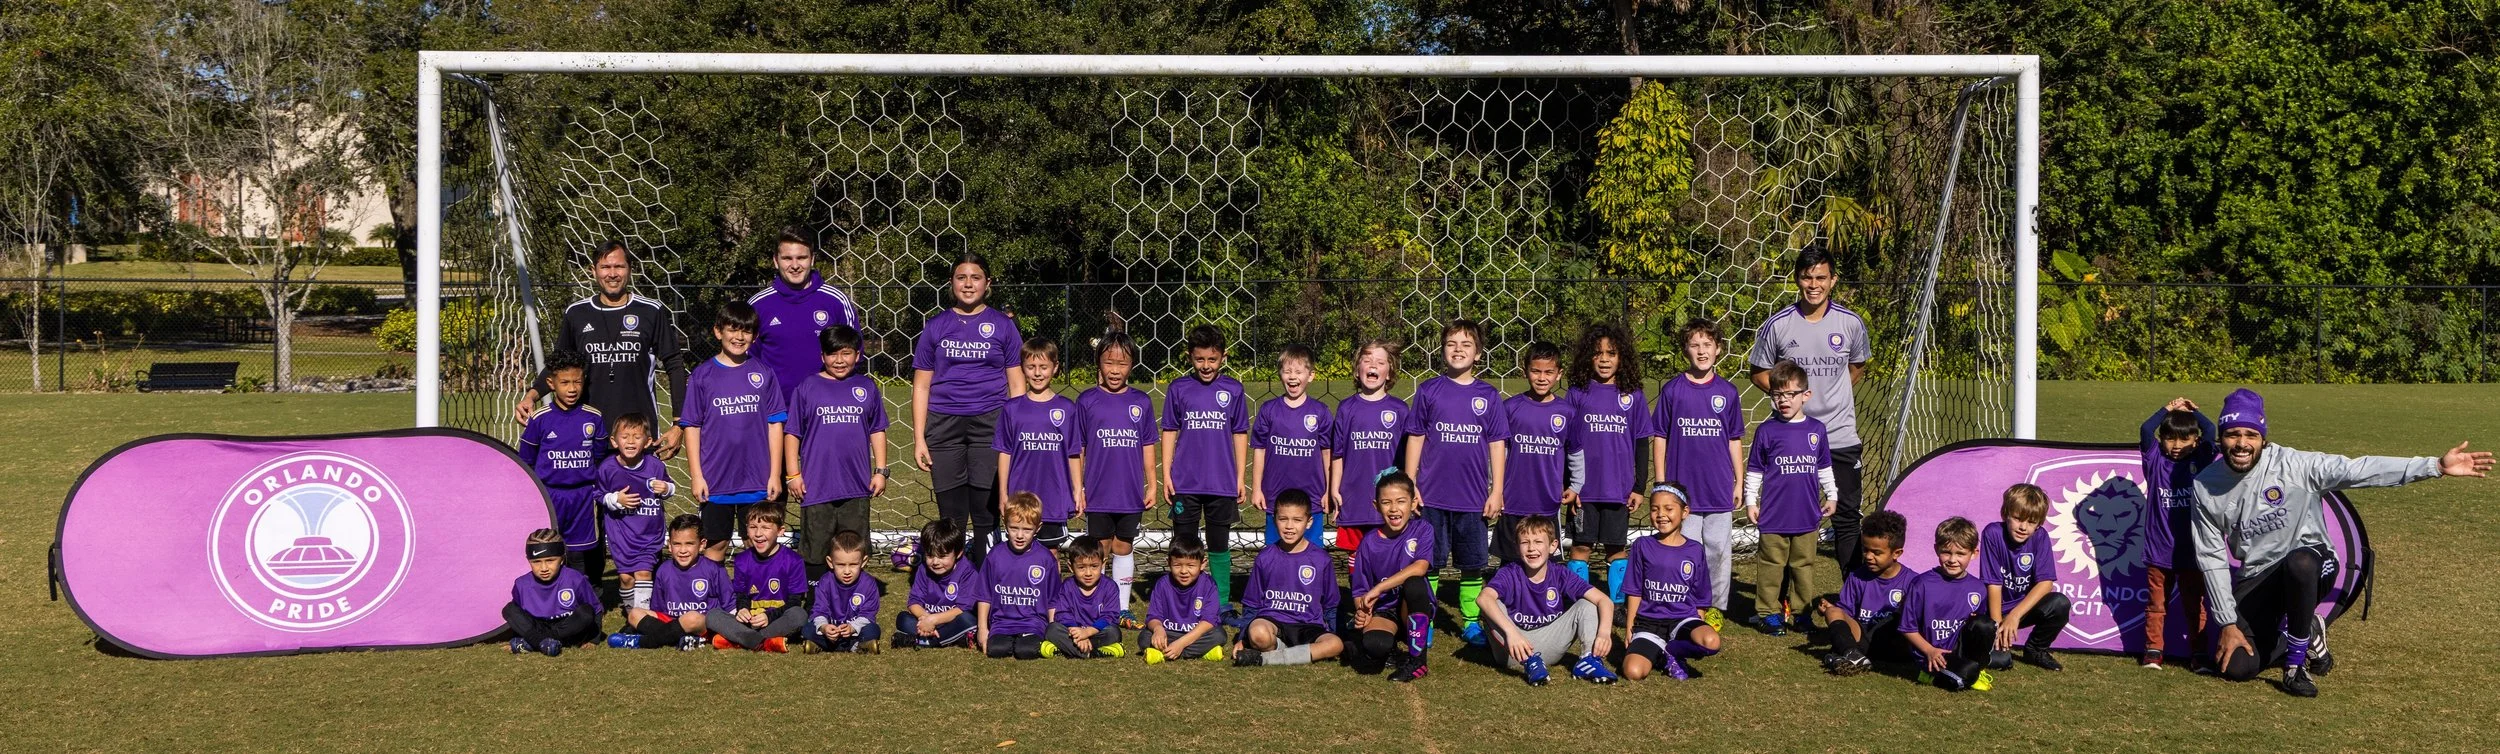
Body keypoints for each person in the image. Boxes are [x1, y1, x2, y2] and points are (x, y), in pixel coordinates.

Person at [2193, 388, 2490, 697]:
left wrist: (2434, 466)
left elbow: (2357, 469)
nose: (2242, 443)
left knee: (2301, 562)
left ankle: (2295, 666)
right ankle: (2304, 632)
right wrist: (2227, 623)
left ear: (2263, 438)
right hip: (2259, 576)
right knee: (2237, 666)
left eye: (2251, 434)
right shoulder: (2205, 486)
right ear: (2221, 436)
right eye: (2233, 434)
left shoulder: (2295, 465)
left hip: (2312, 565)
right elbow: (2211, 558)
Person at [1747, 242, 1871, 572]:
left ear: (1833, 280)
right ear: (1797, 280)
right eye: (1806, 277)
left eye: (1820, 277)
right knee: (1786, 518)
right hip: (1792, 439)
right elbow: (1758, 372)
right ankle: (1784, 601)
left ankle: (1852, 600)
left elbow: (1857, 366)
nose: (1813, 285)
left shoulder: (1851, 323)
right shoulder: (1778, 325)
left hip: (1840, 437)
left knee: (1846, 517)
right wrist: (1790, 399)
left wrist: (1831, 394)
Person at [513, 240, 690, 461]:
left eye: (619, 267)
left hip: (638, 434)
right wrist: (531, 395)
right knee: (588, 495)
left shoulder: (650, 311)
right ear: (593, 271)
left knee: (640, 496)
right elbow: (557, 366)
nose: (612, 274)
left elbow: (674, 364)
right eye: (605, 267)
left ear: (630, 269)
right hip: (587, 432)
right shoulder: (577, 313)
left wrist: (679, 424)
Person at [1402, 319, 1509, 647]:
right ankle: (1427, 618)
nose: (1458, 350)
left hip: (1473, 499)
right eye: (1452, 344)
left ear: (1478, 354)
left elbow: (1497, 444)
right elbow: (1416, 437)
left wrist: (1497, 490)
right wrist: (1410, 483)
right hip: (1432, 496)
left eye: (1466, 345)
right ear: (1442, 350)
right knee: (1429, 563)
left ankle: (1471, 622)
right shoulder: (1429, 390)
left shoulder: (1488, 396)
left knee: (1473, 565)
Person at [913, 252, 1024, 553]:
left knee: (986, 513)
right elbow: (922, 385)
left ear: (987, 283)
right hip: (943, 424)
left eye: (975, 277)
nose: (968, 283)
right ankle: (954, 585)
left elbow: (1016, 382)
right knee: (951, 516)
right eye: (961, 277)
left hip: (991, 423)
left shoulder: (1003, 325)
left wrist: (1017, 429)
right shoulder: (936, 326)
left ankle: (987, 587)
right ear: (951, 283)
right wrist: (919, 438)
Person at [682, 301, 788, 561]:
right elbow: (692, 427)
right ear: (718, 332)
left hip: (757, 478)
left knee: (757, 542)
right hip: (716, 478)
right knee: (716, 544)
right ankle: (714, 598)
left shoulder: (763, 373)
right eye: (733, 329)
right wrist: (697, 475)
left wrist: (775, 475)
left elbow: (775, 424)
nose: (739, 337)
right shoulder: (702, 376)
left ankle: (755, 598)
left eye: (746, 331)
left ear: (754, 336)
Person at [783, 324, 888, 584]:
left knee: (853, 548)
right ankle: (815, 602)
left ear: (858, 355)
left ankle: (853, 603)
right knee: (816, 550)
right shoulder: (807, 387)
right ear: (822, 357)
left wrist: (881, 470)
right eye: (832, 354)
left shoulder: (867, 387)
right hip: (817, 486)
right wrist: (793, 474)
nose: (839, 360)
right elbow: (792, 433)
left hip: (856, 485)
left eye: (846, 353)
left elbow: (877, 430)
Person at [1652, 318, 1743, 614]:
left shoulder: (1728, 392)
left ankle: (1715, 607)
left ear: (1718, 349)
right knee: (1684, 550)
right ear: (1685, 350)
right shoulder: (1673, 390)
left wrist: (1739, 482)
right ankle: (1686, 605)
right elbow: (1660, 437)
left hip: (1717, 487)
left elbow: (1733, 439)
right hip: (1682, 491)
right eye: (1695, 345)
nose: (1702, 351)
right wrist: (1663, 484)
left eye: (1707, 345)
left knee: (1717, 551)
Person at [1744, 360, 1837, 635]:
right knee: (1772, 566)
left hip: (1807, 513)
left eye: (1790, 394)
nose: (1783, 400)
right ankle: (1768, 613)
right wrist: (1751, 501)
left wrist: (1831, 495)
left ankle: (1802, 613)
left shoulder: (1816, 430)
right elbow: (1755, 470)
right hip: (1773, 514)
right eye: (1777, 394)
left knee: (1803, 566)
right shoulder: (1766, 431)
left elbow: (1824, 466)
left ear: (1805, 395)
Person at [1159, 324, 1249, 604]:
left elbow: (1240, 432)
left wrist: (1238, 477)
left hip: (1221, 483)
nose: (1206, 366)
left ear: (1224, 357)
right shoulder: (1179, 388)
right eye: (1200, 359)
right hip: (1185, 482)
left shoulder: (1233, 389)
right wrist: (1167, 472)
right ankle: (1181, 599)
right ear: (1189, 357)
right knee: (1183, 544)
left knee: (1219, 544)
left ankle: (1220, 602)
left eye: (1212, 359)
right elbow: (1170, 430)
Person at [1476, 515, 1618, 686]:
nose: (1531, 548)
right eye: (1525, 542)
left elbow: (1605, 601)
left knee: (1587, 604)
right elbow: (1483, 598)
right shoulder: (1510, 572)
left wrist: (1603, 633)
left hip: (1550, 643)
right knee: (1491, 604)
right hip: (1513, 649)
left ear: (1553, 546)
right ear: (1516, 547)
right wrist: (1511, 633)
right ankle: (1530, 663)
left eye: (1538, 542)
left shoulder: (1560, 573)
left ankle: (1589, 660)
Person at [1075, 329, 1156, 628]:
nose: (1115, 370)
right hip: (1097, 491)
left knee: (1124, 546)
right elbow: (1078, 448)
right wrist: (1078, 487)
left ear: (1132, 365)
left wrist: (1152, 482)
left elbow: (1148, 444)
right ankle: (1097, 604)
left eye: (1122, 364)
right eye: (1109, 363)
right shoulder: (1087, 401)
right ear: (1099, 363)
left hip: (1129, 491)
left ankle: (1121, 607)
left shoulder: (1141, 402)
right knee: (1100, 549)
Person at [1564, 323, 1649, 600]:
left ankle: (1619, 602)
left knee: (1616, 548)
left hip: (1618, 489)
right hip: (1584, 491)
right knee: (1581, 547)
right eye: (1597, 353)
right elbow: (1567, 443)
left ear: (1621, 357)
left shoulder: (1633, 395)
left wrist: (1639, 486)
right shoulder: (1577, 393)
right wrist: (1570, 486)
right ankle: (1579, 601)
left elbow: (1640, 442)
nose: (1604, 359)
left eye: (1611, 353)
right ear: (1587, 357)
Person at [518, 350, 611, 592]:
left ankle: (579, 595)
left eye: (577, 382)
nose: (572, 388)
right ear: (551, 383)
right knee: (550, 548)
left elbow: (599, 455)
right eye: (565, 382)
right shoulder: (539, 419)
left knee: (580, 553)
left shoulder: (594, 418)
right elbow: (526, 460)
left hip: (582, 497)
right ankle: (550, 596)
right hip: (550, 495)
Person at [2140, 397, 2216, 670]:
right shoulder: (2155, 462)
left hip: (2192, 552)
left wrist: (2195, 410)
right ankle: (2153, 651)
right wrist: (2168, 408)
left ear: (2195, 441)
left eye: (2184, 439)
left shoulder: (2202, 463)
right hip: (2158, 551)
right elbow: (2146, 430)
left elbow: (2211, 432)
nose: (2176, 446)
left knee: (2195, 606)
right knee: (2156, 605)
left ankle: (2199, 654)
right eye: (2170, 439)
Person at [1620, 485, 1722, 681]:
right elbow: (1634, 591)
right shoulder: (1642, 545)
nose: (1661, 515)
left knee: (1710, 641)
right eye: (1655, 509)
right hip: (1649, 623)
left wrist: (1697, 624)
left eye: (1668, 509)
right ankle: (1659, 653)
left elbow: (1700, 595)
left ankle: (1673, 651)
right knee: (1633, 672)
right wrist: (1630, 628)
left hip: (1682, 619)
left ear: (1684, 512)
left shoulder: (1694, 550)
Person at [749, 226, 864, 396]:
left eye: (801, 257)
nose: (795, 265)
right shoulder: (758, 305)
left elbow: (856, 355)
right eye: (787, 258)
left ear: (812, 259)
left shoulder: (836, 301)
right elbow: (748, 361)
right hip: (777, 414)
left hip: (827, 410)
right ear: (775, 260)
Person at [1233, 491, 1342, 667]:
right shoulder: (1265, 557)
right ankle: (1295, 654)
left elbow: (1331, 605)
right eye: (1283, 519)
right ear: (1274, 519)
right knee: (1258, 633)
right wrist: (1243, 639)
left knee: (1335, 644)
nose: (1289, 526)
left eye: (1297, 520)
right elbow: (1252, 604)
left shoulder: (1321, 559)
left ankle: (1266, 658)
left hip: (1309, 625)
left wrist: (1338, 633)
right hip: (1273, 622)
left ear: (1309, 522)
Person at [1346, 471, 1437, 682]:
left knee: (1414, 584)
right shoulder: (1368, 543)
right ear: (1376, 505)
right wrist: (1363, 611)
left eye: (1401, 501)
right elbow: (1360, 591)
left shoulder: (1422, 529)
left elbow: (1420, 567)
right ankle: (1391, 652)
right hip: (1384, 611)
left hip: (1411, 606)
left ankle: (1418, 662)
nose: (1394, 509)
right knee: (1375, 646)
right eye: (1386, 503)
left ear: (1413, 503)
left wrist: (1379, 588)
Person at [993, 339, 1082, 550]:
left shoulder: (1067, 408)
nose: (1037, 373)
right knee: (1019, 551)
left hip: (1054, 496)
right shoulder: (1012, 409)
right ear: (1022, 368)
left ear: (1056, 367)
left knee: (1050, 553)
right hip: (1019, 496)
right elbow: (1004, 452)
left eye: (1043, 367)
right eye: (1031, 367)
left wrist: (1078, 490)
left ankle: (1050, 585)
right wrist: (1003, 493)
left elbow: (1073, 453)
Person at [1898, 517, 1998, 692]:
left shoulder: (1978, 587)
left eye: (1960, 554)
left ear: (1974, 553)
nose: (1952, 560)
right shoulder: (1921, 584)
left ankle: (1976, 670)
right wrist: (1929, 650)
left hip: (1958, 651)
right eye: (1946, 552)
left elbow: (1978, 625)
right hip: (1931, 653)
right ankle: (1929, 674)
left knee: (1987, 626)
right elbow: (1907, 628)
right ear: (1936, 549)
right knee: (1960, 681)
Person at [1499, 342, 1575, 569]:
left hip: (1547, 502)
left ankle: (1546, 602)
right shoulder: (1511, 407)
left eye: (1549, 372)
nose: (1542, 378)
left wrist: (1576, 485)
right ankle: (1505, 599)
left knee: (1546, 560)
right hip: (1513, 500)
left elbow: (1575, 452)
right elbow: (1498, 451)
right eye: (1536, 371)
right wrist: (1495, 489)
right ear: (1525, 371)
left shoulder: (1567, 412)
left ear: (1559, 374)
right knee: (1511, 559)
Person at [1979, 483, 2070, 672]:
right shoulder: (1992, 533)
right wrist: (1997, 627)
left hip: (2020, 610)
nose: (2023, 527)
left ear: (2039, 524)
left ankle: (2036, 650)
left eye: (2031, 522)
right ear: (2005, 514)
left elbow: (2046, 583)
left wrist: (2015, 616)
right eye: (2018, 519)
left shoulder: (2041, 537)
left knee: (2060, 603)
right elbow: (1993, 584)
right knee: (2001, 661)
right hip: (1993, 610)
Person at [1817, 509, 1918, 675]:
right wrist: (1829, 609)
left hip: (1896, 643)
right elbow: (1845, 613)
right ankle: (1851, 654)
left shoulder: (1913, 581)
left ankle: (1836, 656)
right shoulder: (1857, 577)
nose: (1869, 556)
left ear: (1896, 553)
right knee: (1833, 611)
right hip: (1862, 641)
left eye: (1877, 552)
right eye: (1866, 550)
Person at [1252, 344, 1334, 548]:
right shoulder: (1269, 410)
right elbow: (1259, 449)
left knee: (1312, 552)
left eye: (1298, 371)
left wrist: (1329, 490)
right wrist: (1256, 488)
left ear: (1311, 375)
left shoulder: (1320, 411)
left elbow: (1327, 452)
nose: (1292, 377)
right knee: (1275, 552)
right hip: (1275, 497)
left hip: (1312, 498)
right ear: (1280, 374)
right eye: (1287, 371)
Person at [1329, 338, 1407, 551]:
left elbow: (1408, 457)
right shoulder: (1346, 408)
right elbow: (1338, 454)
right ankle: (1358, 586)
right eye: (1367, 361)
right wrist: (1335, 489)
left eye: (1381, 363)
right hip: (1354, 495)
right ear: (1357, 369)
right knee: (1356, 552)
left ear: (1389, 373)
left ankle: (1386, 585)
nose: (1373, 366)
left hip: (1389, 497)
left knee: (1387, 549)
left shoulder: (1400, 410)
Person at [595, 412, 673, 614]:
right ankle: (632, 613)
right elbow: (598, 494)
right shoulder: (607, 468)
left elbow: (670, 487)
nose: (630, 442)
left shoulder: (655, 466)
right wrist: (616, 499)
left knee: (644, 572)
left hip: (649, 534)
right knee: (626, 578)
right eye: (624, 437)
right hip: (621, 536)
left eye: (637, 437)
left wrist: (665, 488)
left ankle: (643, 618)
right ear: (614, 441)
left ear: (647, 442)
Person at [611, 514, 724, 651]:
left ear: (702, 545)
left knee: (691, 618)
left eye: (689, 543)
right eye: (677, 544)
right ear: (669, 545)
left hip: (700, 623)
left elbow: (728, 606)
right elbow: (658, 609)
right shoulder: (663, 570)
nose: (682, 550)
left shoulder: (714, 569)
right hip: (671, 621)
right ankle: (679, 639)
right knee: (634, 614)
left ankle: (642, 642)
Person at [710, 504, 807, 652]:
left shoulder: (793, 560)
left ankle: (744, 640)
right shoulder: (742, 559)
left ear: (780, 531)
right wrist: (742, 609)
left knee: (799, 615)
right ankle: (763, 642)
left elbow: (794, 602)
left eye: (765, 528)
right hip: (750, 622)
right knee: (713, 615)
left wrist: (769, 616)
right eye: (753, 527)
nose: (758, 533)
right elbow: (741, 594)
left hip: (775, 621)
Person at [977, 493, 1062, 660]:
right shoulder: (995, 555)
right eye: (1014, 528)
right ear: (1005, 525)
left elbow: (1053, 599)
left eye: (1027, 530)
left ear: (1038, 528)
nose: (1020, 535)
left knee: (1026, 651)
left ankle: (1024, 638)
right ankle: (1007, 638)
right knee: (996, 649)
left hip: (1033, 623)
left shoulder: (1045, 559)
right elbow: (984, 595)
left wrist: (1053, 630)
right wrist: (982, 629)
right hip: (1002, 623)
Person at [505, 529, 604, 657]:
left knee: (586, 611)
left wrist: (593, 640)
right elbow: (520, 617)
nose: (544, 568)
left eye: (550, 560)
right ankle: (543, 643)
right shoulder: (521, 584)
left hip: (567, 630)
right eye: (537, 562)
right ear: (528, 560)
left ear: (562, 559)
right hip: (539, 627)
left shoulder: (575, 579)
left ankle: (537, 643)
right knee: (509, 609)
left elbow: (595, 610)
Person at [897, 518, 979, 649]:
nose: (935, 562)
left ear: (958, 553)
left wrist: (933, 620)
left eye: (942, 556)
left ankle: (925, 641)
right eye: (930, 555)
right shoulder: (923, 569)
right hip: (928, 618)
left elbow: (963, 609)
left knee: (968, 620)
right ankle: (951, 638)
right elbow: (914, 602)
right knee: (903, 619)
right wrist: (926, 619)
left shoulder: (968, 572)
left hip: (953, 620)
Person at [1144, 538, 1228, 664]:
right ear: (1169, 562)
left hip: (1197, 634)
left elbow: (1209, 621)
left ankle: (1163, 653)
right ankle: (1204, 652)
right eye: (1177, 565)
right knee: (1145, 637)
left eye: (1190, 565)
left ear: (1203, 564)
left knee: (1219, 635)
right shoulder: (1162, 584)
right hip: (1170, 633)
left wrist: (1181, 643)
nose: (1183, 571)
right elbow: (1153, 616)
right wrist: (1157, 629)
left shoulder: (1208, 584)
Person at [801, 530, 884, 654]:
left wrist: (852, 628)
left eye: (853, 564)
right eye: (840, 565)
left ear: (864, 562)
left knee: (873, 630)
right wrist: (824, 627)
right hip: (831, 631)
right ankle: (857, 647)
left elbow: (868, 614)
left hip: (855, 632)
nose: (847, 571)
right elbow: (819, 610)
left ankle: (824, 646)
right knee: (807, 629)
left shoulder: (869, 583)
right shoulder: (825, 581)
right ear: (830, 562)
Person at [1043, 537, 1127, 659]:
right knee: (1052, 629)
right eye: (1081, 567)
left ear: (1103, 564)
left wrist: (1087, 632)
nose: (1088, 573)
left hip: (1096, 632)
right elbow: (1062, 613)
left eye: (1094, 566)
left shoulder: (1110, 587)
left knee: (1114, 632)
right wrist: (1077, 633)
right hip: (1073, 632)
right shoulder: (1067, 585)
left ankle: (1070, 650)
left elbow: (1110, 615)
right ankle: (1094, 652)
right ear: (1071, 567)